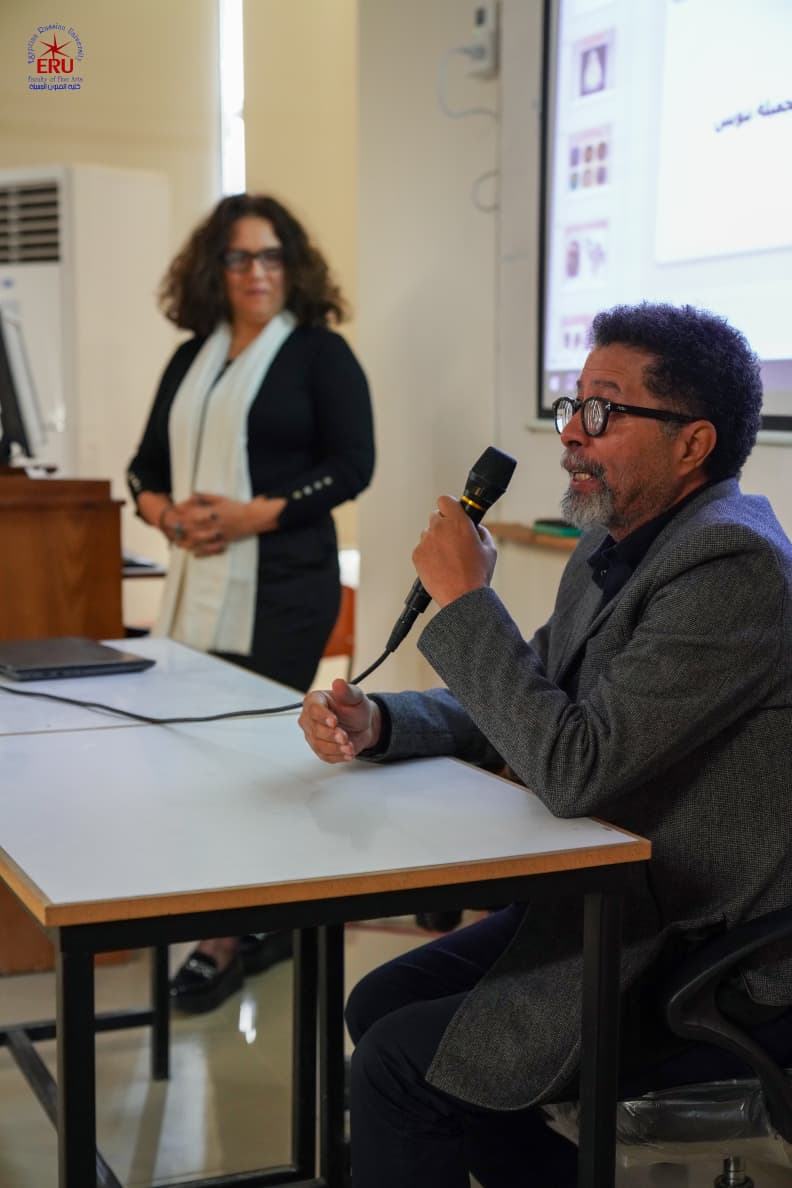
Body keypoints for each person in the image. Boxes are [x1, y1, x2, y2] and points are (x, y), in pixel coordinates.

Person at [298, 302, 792, 1187]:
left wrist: (467, 602)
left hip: (703, 949)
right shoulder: (615, 541)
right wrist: (385, 722)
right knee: (381, 1001)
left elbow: (573, 766)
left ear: (693, 443)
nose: (570, 434)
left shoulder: (733, 568)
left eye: (603, 411)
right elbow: (536, 694)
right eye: (572, 405)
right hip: (615, 902)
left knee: (399, 1069)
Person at [128, 193, 375, 1013]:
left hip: (285, 586)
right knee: (193, 754)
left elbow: (353, 464)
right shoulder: (190, 359)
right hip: (195, 583)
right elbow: (142, 468)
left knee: (242, 755)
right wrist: (167, 515)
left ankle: (225, 938)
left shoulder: (318, 354)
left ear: (292, 266)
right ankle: (249, 913)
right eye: (240, 257)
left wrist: (252, 515)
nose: (257, 272)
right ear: (216, 268)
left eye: (271, 256)